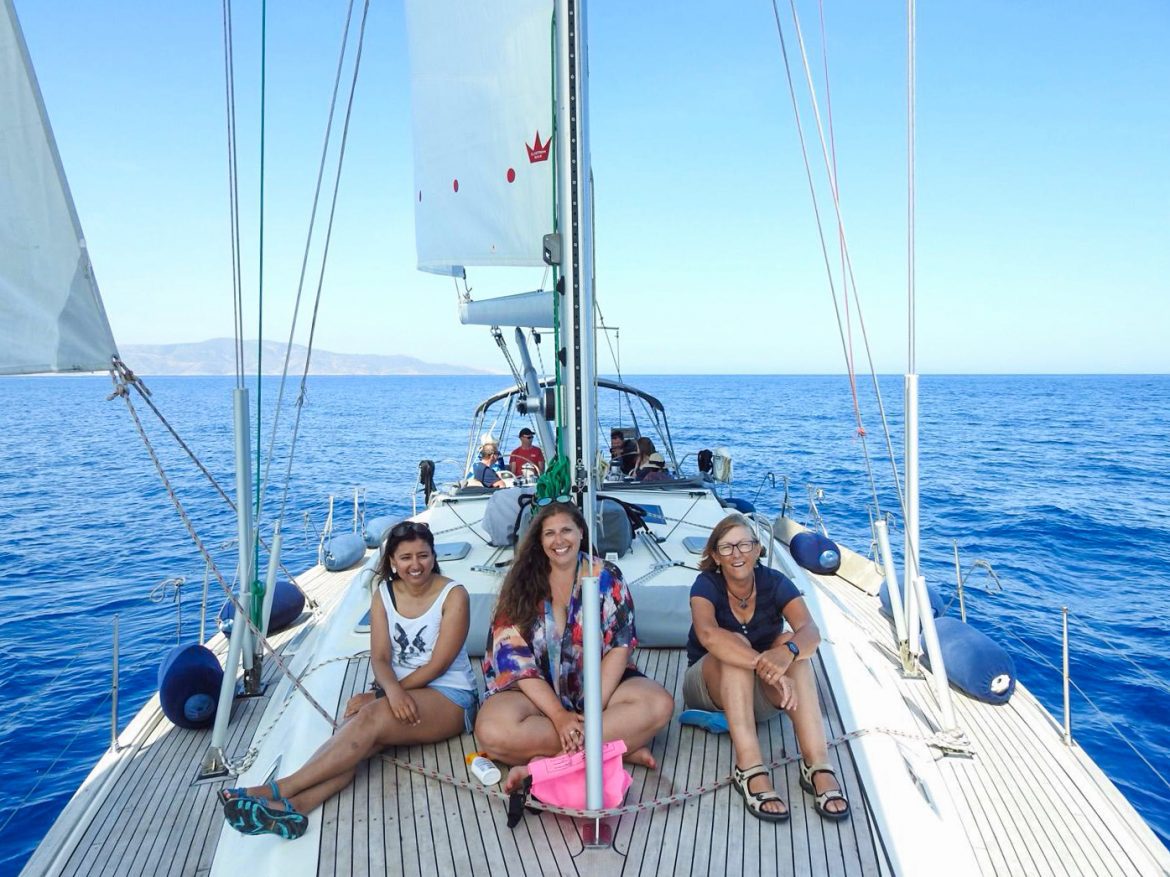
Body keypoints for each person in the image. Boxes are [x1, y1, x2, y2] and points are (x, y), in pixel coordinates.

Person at [219, 520, 478, 839]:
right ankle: (294, 808)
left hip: (450, 696)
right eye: (406, 557)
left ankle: (274, 789)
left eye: (422, 555)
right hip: (399, 691)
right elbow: (380, 658)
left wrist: (386, 695)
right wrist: (388, 692)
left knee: (368, 719)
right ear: (393, 562)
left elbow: (439, 664)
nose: (415, 564)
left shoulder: (454, 595)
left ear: (433, 555)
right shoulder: (384, 593)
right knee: (358, 740)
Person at [474, 500, 674, 792]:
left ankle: (547, 765)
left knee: (659, 705)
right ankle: (614, 750)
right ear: (539, 540)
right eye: (549, 533)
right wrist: (559, 717)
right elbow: (516, 662)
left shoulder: (606, 576)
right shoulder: (519, 582)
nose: (559, 540)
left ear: (581, 532)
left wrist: (592, 712)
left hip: (598, 688)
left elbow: (620, 645)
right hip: (534, 694)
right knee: (492, 731)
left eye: (566, 530)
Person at [683, 514, 850, 823]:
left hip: (760, 689)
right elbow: (708, 634)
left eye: (745, 544)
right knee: (733, 646)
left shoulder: (775, 582)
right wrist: (761, 662)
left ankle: (817, 764)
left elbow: (811, 632)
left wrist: (787, 653)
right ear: (716, 556)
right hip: (707, 685)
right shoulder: (705, 585)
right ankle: (749, 767)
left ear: (758, 549)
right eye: (727, 547)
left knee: (792, 643)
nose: (737, 554)